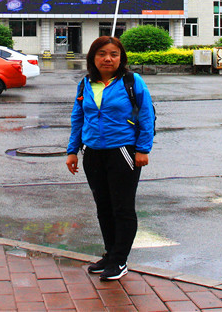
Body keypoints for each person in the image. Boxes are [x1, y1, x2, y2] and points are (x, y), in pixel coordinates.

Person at [66, 36, 155, 281]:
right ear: (93, 58)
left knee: (122, 207)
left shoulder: (131, 82)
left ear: (121, 58)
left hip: (123, 152)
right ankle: (110, 254)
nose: (108, 58)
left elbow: (146, 116)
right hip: (92, 152)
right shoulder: (86, 83)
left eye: (114, 54)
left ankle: (119, 261)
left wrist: (143, 149)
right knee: (103, 207)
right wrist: (72, 150)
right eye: (102, 54)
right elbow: (78, 118)